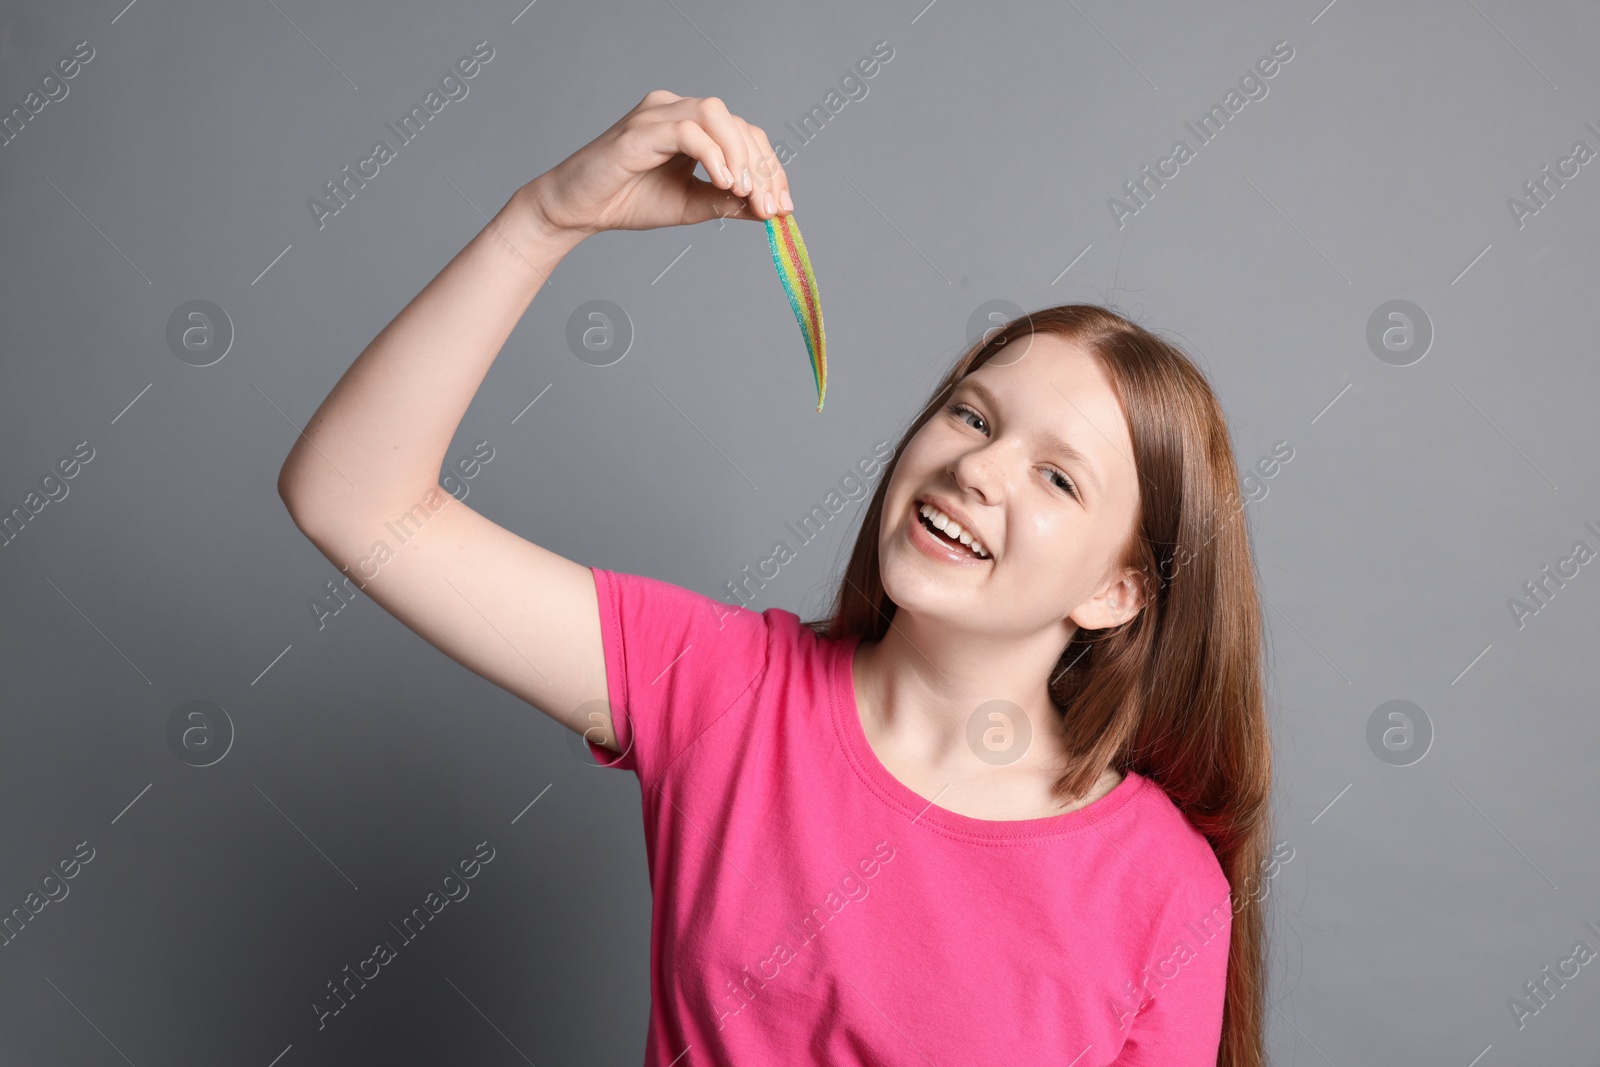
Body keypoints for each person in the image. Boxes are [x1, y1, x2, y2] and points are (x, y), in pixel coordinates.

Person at [277, 90, 1273, 1066]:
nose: (976, 467)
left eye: (1055, 476)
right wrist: (544, 217)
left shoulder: (1163, 888)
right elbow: (353, 501)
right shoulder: (720, 688)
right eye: (971, 415)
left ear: (1116, 592)